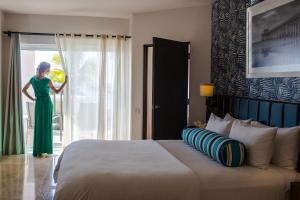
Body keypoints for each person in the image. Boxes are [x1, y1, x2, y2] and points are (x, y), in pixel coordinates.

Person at [22, 62, 68, 157]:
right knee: (46, 126)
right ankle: (46, 149)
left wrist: (32, 99)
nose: (49, 70)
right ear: (45, 69)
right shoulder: (47, 80)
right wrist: (65, 82)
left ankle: (38, 150)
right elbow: (57, 91)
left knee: (39, 126)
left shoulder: (33, 79)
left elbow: (24, 90)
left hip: (38, 104)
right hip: (47, 104)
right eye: (48, 69)